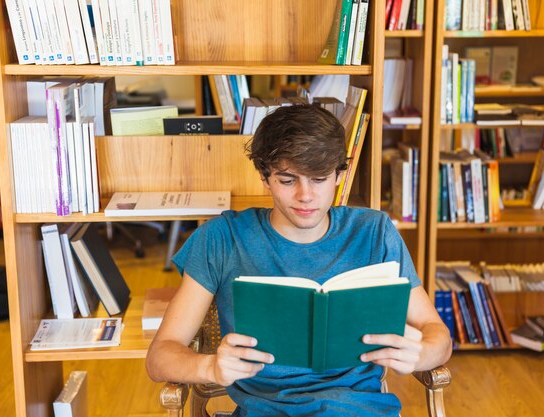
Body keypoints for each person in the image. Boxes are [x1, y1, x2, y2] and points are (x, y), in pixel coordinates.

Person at [146, 104, 452, 416]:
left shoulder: (374, 232)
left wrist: (421, 354)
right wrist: (210, 366)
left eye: (319, 178)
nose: (305, 196)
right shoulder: (221, 238)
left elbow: (437, 334)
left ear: (338, 176)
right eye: (288, 179)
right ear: (265, 178)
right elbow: (159, 357)